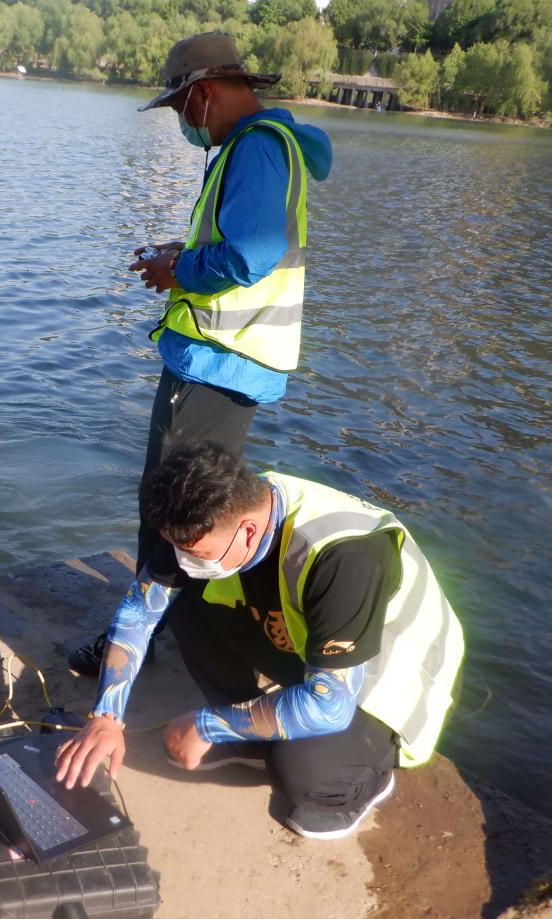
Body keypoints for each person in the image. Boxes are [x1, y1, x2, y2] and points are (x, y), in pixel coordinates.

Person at [68, 32, 333, 677]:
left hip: (219, 359)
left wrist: (177, 268)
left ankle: (134, 644)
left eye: (182, 108)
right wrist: (178, 257)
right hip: (235, 359)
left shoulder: (256, 148)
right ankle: (182, 629)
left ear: (204, 94)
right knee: (197, 500)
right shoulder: (273, 145)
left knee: (171, 503)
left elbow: (249, 255)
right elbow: (243, 246)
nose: (185, 122)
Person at [56, 443, 465, 840]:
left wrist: (207, 724)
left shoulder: (345, 556)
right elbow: (138, 613)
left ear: (248, 531)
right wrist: (106, 717)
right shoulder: (215, 510)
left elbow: (330, 706)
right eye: (178, 547)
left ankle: (366, 778)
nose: (183, 559)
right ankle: (251, 730)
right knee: (179, 602)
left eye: (195, 551)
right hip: (312, 651)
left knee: (306, 774)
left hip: (385, 678)